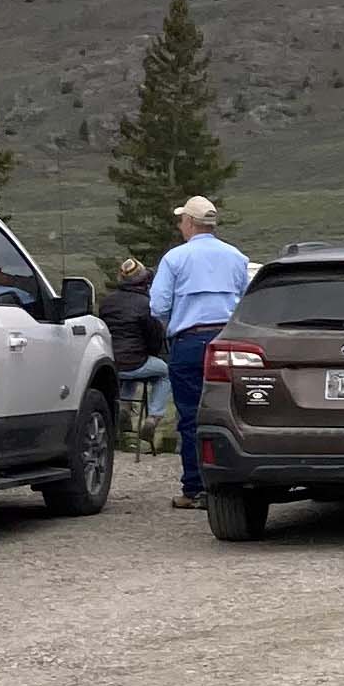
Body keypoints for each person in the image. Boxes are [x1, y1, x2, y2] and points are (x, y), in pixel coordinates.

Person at [145, 196, 249, 510]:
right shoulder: (236, 257)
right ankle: (232, 484)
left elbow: (158, 305)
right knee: (232, 412)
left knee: (190, 416)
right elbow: (245, 300)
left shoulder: (175, 259)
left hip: (189, 343)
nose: (180, 226)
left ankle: (195, 488)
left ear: (190, 223)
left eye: (181, 221)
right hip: (227, 341)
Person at [97, 256, 168, 441]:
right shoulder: (146, 304)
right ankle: (153, 417)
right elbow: (154, 338)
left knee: (131, 371)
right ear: (144, 281)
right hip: (135, 362)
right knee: (164, 373)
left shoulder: (107, 302)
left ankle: (125, 408)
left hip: (112, 362)